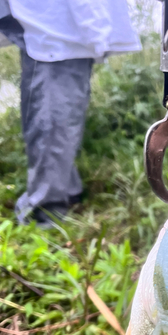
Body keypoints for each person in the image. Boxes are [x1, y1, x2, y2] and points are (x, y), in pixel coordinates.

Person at [0, 0, 141, 227]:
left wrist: (96, 35)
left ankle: (54, 204)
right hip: (55, 33)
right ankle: (56, 204)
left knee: (52, 125)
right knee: (49, 125)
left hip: (58, 34)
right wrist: (97, 35)